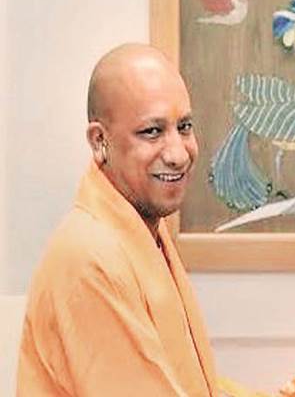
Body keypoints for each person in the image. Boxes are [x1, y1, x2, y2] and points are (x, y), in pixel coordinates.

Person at [17, 44, 218, 396]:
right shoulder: (88, 257)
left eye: (184, 127)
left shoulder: (143, 227)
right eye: (152, 132)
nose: (178, 153)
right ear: (100, 141)